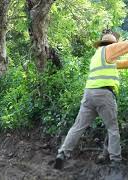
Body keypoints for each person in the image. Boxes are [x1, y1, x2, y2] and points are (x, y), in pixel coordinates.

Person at [54, 32, 128, 169]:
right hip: (104, 94)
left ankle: (62, 154)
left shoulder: (98, 56)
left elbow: (122, 64)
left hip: (89, 94)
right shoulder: (109, 50)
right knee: (112, 129)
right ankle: (116, 163)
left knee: (78, 127)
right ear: (112, 45)